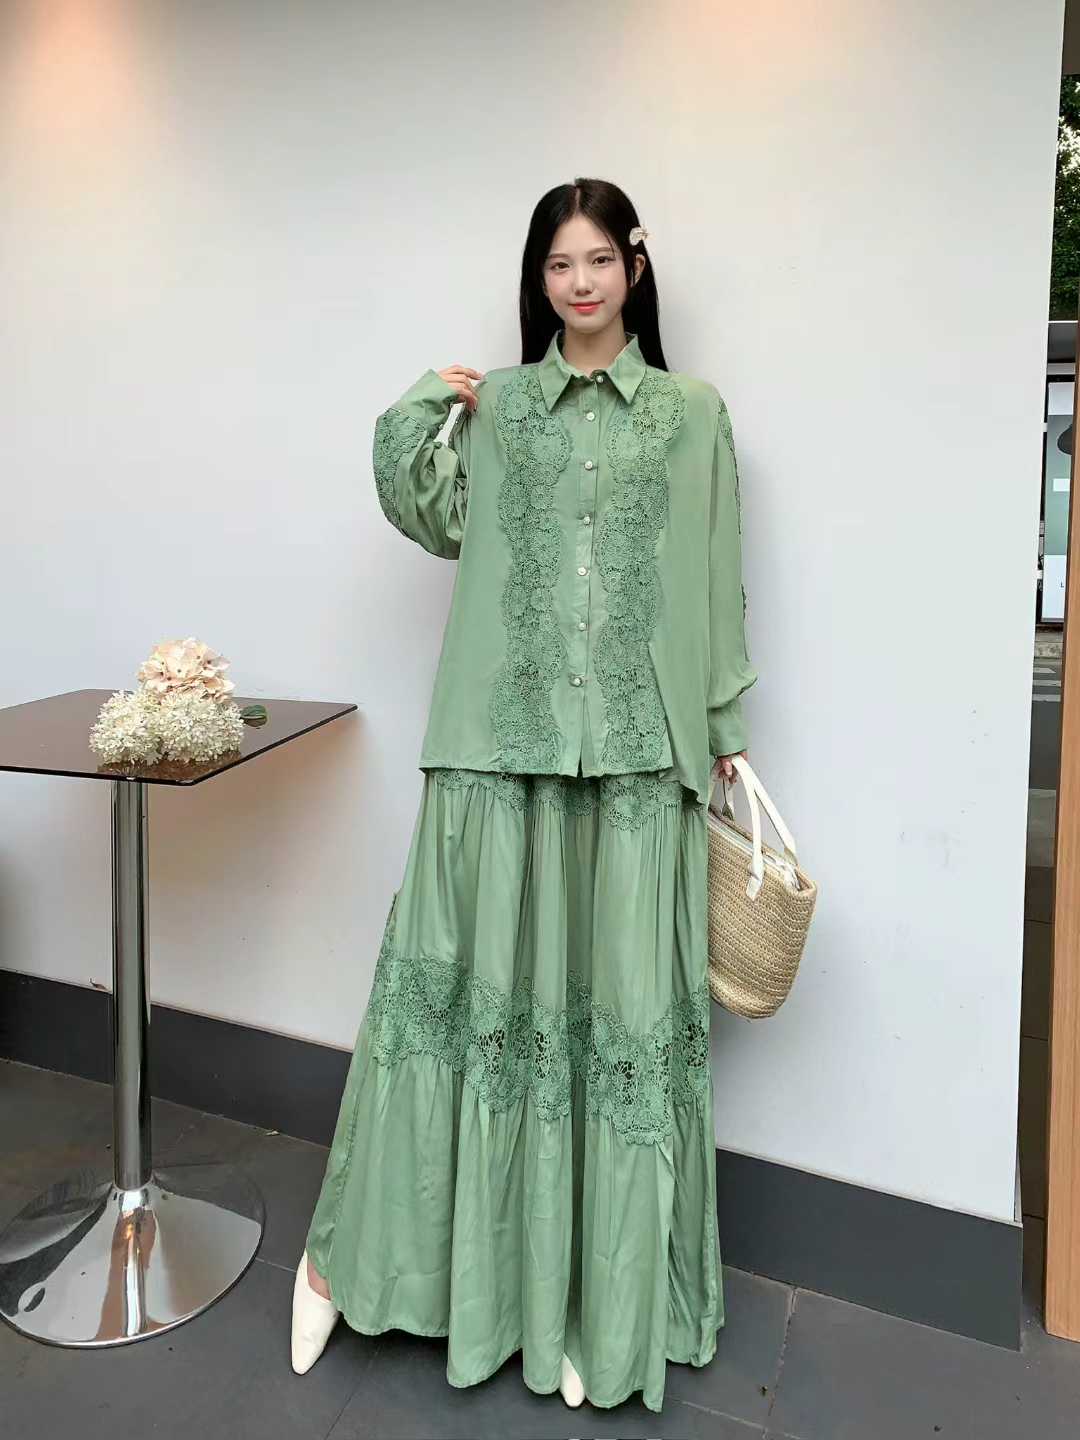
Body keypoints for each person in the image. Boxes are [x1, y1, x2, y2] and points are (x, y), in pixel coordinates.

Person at [290, 176, 758, 1416]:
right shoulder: (500, 410)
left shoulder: (694, 416)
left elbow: (719, 574)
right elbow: (431, 514)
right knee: (462, 1016)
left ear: (635, 268)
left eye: (599, 258)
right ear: (538, 281)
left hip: (637, 761)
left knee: (614, 1026)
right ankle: (385, 1268)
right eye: (559, 264)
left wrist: (719, 731)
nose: (580, 283)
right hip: (497, 756)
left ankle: (596, 1305)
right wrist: (423, 408)